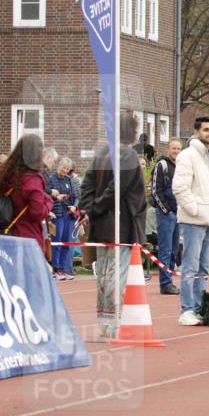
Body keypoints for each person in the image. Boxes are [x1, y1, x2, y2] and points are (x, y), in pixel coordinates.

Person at [79, 110, 147, 337]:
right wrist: (95, 206)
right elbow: (117, 187)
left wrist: (88, 208)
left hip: (103, 224)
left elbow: (87, 183)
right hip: (120, 225)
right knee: (115, 275)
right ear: (132, 131)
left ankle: (106, 321)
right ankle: (112, 323)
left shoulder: (103, 153)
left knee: (105, 275)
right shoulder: (127, 155)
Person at [172, 116, 209, 326]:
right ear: (196, 132)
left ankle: (197, 307)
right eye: (206, 129)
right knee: (190, 266)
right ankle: (187, 309)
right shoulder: (187, 156)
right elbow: (180, 187)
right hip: (195, 219)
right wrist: (194, 210)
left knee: (204, 268)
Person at [0, 134, 53, 251]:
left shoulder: (4, 174)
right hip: (26, 237)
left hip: (2, 234)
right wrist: (49, 202)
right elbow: (36, 213)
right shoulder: (33, 180)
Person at [151, 137, 182, 295]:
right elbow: (156, 191)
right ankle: (165, 283)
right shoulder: (161, 165)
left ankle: (169, 280)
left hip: (178, 214)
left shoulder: (181, 167)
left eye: (178, 148)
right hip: (166, 215)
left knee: (174, 250)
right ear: (168, 149)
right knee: (165, 249)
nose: (176, 151)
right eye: (173, 148)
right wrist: (166, 210)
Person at [49, 156, 78, 280]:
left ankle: (63, 268)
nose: (65, 171)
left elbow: (76, 196)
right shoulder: (51, 179)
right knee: (57, 242)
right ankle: (56, 269)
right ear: (59, 166)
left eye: (67, 169)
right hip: (57, 214)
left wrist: (74, 206)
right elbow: (47, 194)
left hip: (69, 214)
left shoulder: (68, 179)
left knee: (66, 242)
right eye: (64, 168)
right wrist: (56, 197)